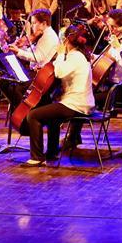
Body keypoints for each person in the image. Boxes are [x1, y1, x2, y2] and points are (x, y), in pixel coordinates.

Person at [23, 24, 95, 166]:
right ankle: (52, 152)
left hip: (76, 104)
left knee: (33, 115)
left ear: (66, 41)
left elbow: (59, 72)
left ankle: (36, 158)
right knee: (53, 118)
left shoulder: (75, 57)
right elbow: (58, 67)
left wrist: (61, 53)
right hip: (78, 102)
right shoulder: (77, 56)